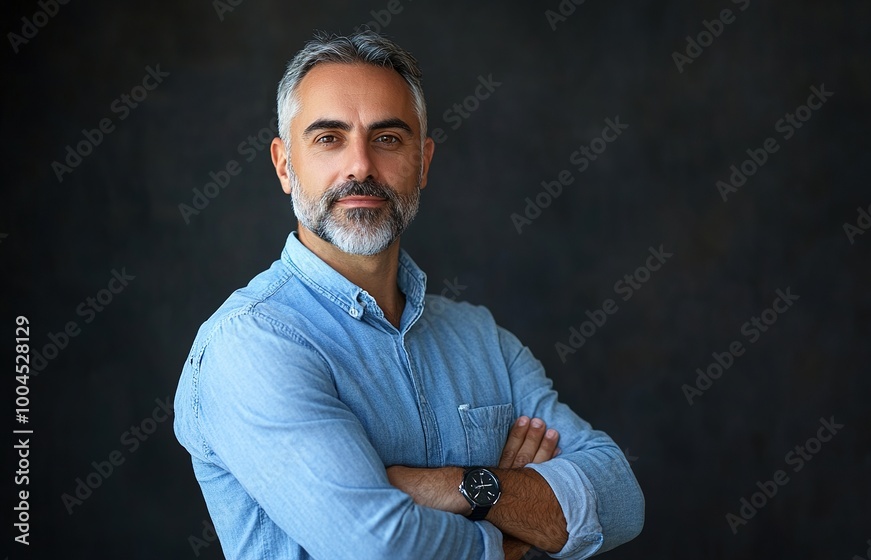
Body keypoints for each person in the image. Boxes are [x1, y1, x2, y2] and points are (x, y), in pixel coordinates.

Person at [173, 30, 644, 560]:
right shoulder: (251, 344)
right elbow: (380, 548)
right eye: (329, 138)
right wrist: (516, 536)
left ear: (422, 162)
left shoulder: (479, 337)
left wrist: (457, 484)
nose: (360, 167)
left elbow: (622, 500)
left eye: (388, 139)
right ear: (285, 165)